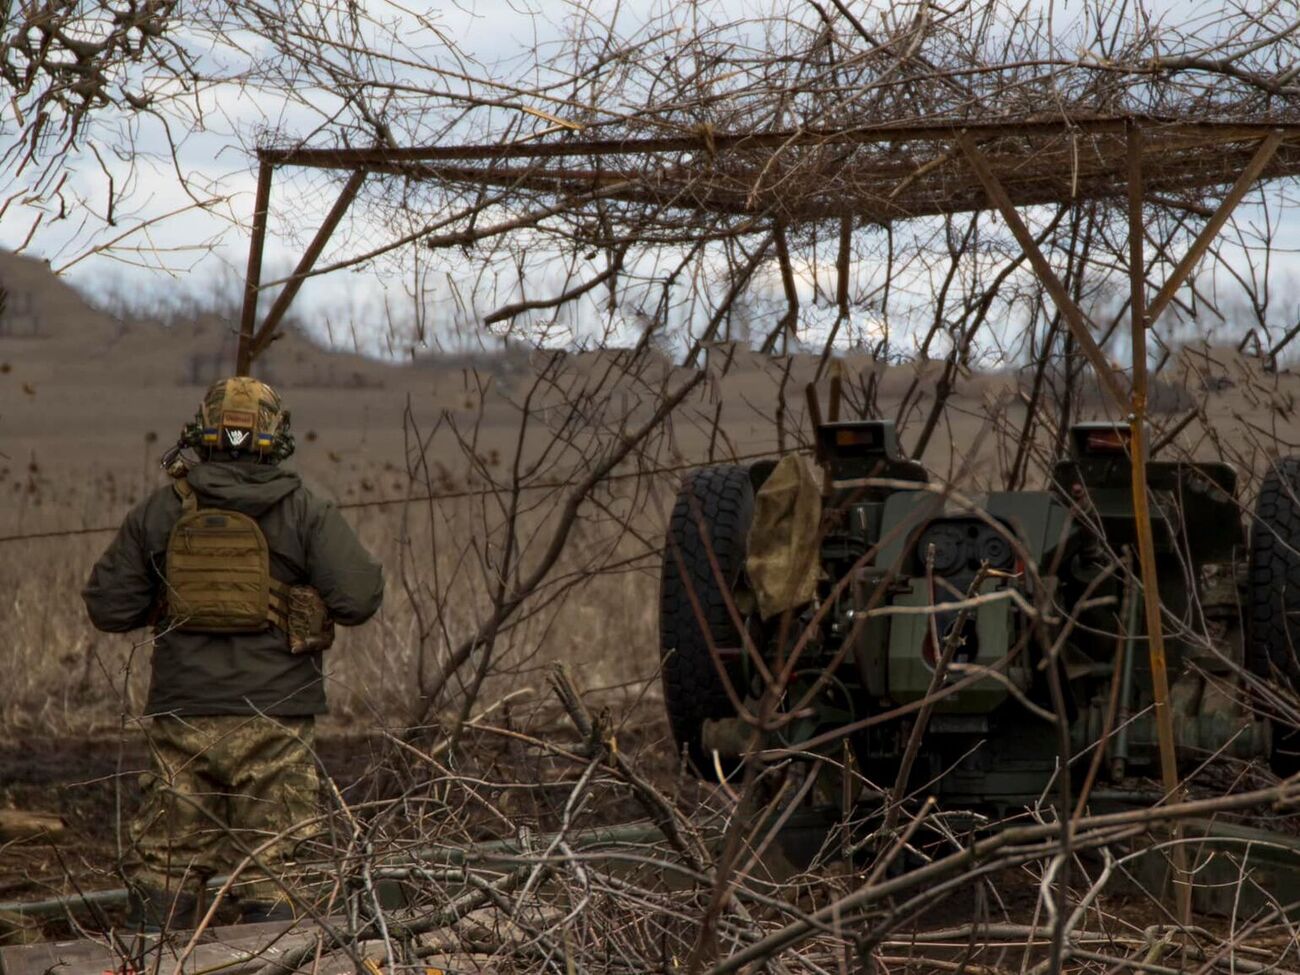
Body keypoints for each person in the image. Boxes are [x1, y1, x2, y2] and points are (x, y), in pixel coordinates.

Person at [83, 376, 384, 929]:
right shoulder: (306, 510)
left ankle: (153, 961)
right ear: (277, 434)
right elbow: (359, 598)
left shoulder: (162, 511)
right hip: (275, 716)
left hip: (182, 715)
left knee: (166, 863)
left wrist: (170, 594)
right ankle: (273, 961)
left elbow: (107, 606)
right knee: (276, 864)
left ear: (202, 432)